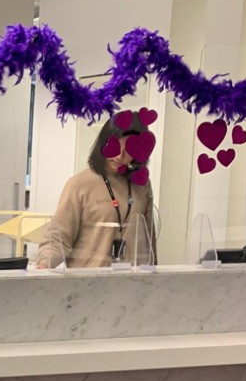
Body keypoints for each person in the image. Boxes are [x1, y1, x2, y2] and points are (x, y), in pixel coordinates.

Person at [35, 112, 157, 269]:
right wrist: (44, 265)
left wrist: (153, 277)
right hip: (89, 283)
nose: (120, 155)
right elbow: (58, 237)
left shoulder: (142, 185)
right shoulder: (79, 185)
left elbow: (148, 240)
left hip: (133, 282)